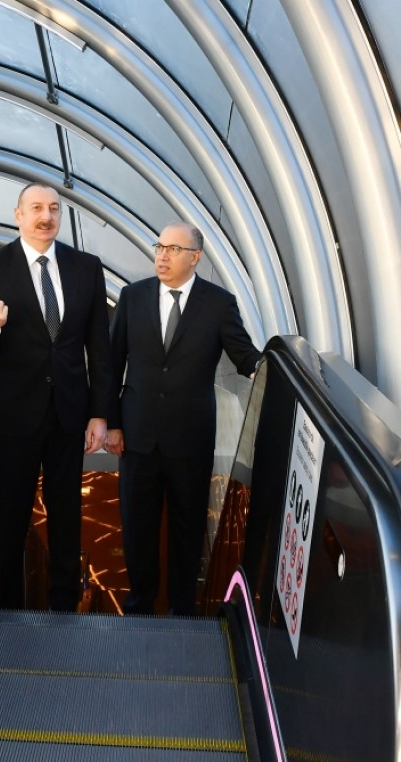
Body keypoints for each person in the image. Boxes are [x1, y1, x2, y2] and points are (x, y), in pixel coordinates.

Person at [0, 183, 111, 611]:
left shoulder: (86, 267)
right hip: (12, 416)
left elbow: (99, 347)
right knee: (11, 515)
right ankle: (8, 608)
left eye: (54, 208)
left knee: (67, 514)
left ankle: (64, 609)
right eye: (37, 208)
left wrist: (100, 414)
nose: (46, 216)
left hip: (69, 414)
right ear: (18, 215)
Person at [106, 221, 261, 616]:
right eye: (159, 247)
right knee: (137, 529)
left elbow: (245, 357)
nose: (162, 255)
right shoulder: (132, 297)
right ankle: (139, 607)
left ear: (195, 258)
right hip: (137, 436)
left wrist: (272, 369)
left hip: (191, 439)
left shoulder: (219, 303)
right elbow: (111, 364)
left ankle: (182, 611)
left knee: (187, 528)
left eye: (173, 249)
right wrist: (112, 423)